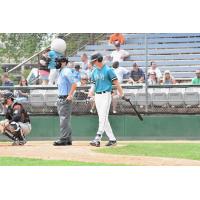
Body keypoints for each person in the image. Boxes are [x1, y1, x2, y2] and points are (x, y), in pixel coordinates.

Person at [88, 52, 124, 147]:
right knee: (103, 118)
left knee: (103, 117)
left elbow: (116, 83)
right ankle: (112, 139)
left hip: (106, 95)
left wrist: (121, 93)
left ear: (98, 60)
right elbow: (93, 84)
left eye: (94, 61)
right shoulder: (94, 71)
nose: (93, 63)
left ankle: (98, 138)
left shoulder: (108, 70)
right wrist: (91, 92)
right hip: (97, 96)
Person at [53, 56, 77, 146]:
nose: (57, 63)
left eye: (58, 61)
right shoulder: (61, 71)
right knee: (65, 119)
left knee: (63, 120)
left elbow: (74, 84)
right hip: (61, 97)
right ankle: (68, 139)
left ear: (63, 62)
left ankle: (63, 139)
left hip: (65, 97)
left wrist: (70, 95)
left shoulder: (66, 71)